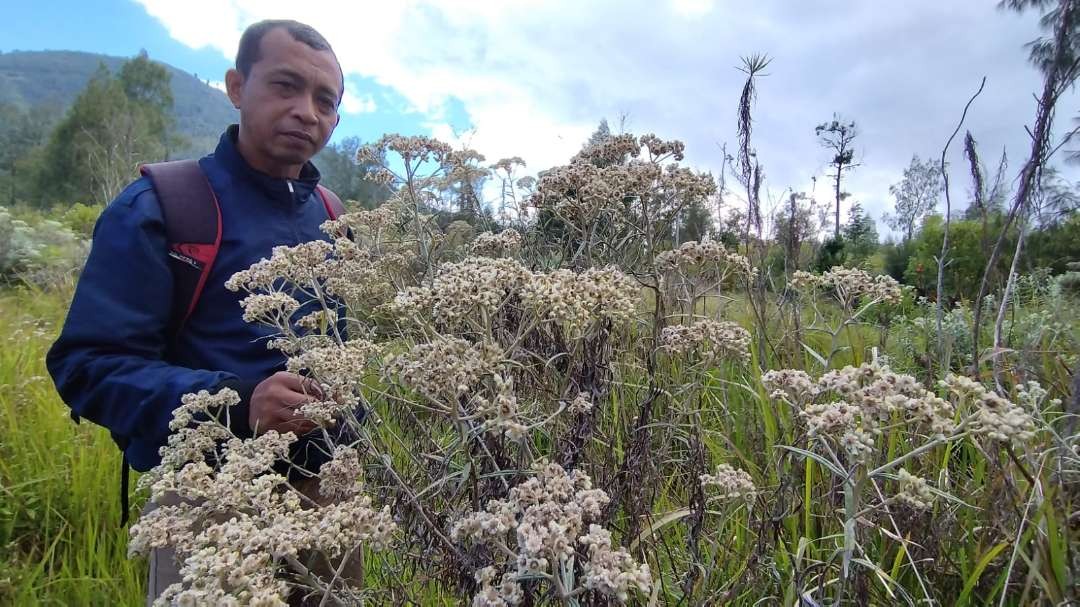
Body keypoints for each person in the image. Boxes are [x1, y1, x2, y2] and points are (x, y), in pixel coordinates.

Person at [46, 19, 348, 603]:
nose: (306, 111)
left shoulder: (336, 219)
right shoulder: (162, 205)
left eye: (325, 101)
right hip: (207, 501)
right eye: (285, 86)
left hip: (328, 496)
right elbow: (86, 365)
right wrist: (239, 404)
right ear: (236, 87)